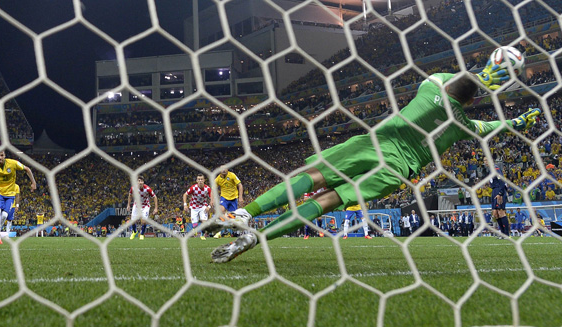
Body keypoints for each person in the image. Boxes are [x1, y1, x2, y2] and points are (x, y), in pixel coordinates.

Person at [210, 66, 541, 263]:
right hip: (398, 168)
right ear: (472, 101)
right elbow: (491, 127)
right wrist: (517, 122)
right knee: (327, 201)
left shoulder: (432, 85)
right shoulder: (462, 124)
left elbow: (452, 81)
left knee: (311, 178)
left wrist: (479, 75)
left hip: (376, 141)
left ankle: (245, 213)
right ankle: (255, 239)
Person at [126, 175, 158, 240]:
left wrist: (156, 208)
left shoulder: (147, 189)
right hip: (136, 205)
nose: (140, 182)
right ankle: (134, 232)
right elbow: (130, 195)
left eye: (142, 181)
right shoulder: (133, 188)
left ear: (143, 182)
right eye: (139, 181)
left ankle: (142, 234)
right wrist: (128, 205)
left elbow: (154, 197)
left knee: (143, 221)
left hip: (145, 206)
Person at [183, 174, 213, 240]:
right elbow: (185, 194)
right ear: (196, 180)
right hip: (194, 207)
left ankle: (203, 235)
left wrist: (209, 206)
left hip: (203, 206)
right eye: (199, 179)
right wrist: (185, 204)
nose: (200, 181)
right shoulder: (193, 188)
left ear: (204, 180)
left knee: (204, 222)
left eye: (201, 179)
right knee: (195, 225)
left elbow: (212, 199)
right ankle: (195, 230)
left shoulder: (207, 189)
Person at [487, 157, 510, 239]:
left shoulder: (496, 168)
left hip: (499, 190)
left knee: (501, 212)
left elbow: (502, 181)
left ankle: (506, 234)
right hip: (494, 191)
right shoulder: (490, 170)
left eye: (487, 160)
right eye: (484, 161)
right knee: (495, 214)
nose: (485, 162)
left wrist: (500, 193)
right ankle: (502, 233)